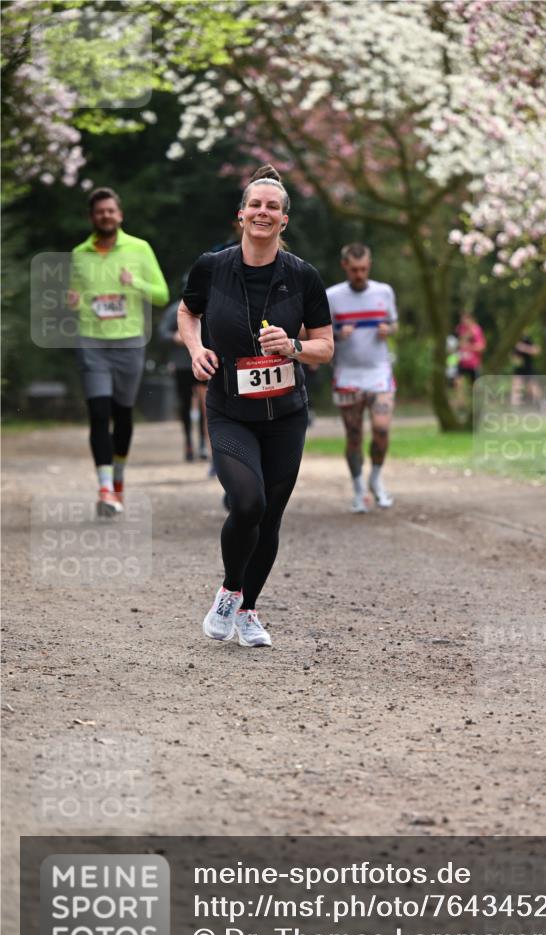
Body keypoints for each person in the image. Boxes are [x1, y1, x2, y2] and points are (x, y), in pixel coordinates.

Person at [178, 164, 333, 648]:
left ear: (284, 220)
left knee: (270, 517)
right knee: (248, 502)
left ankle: (247, 611)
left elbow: (325, 345)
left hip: (286, 413)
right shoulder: (212, 266)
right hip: (229, 408)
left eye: (273, 207)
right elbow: (188, 312)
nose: (263, 212)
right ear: (240, 215)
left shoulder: (303, 277)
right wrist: (195, 348)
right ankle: (229, 591)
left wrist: (294, 348)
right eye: (256, 205)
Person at [68, 187, 169, 515]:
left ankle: (119, 479)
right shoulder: (78, 254)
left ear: (120, 215)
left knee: (122, 413)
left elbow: (162, 295)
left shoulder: (140, 249)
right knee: (98, 413)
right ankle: (105, 488)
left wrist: (135, 283)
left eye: (110, 211)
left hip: (129, 343)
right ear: (91, 217)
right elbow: (77, 296)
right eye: (99, 212)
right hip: (91, 342)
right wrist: (73, 301)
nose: (105, 216)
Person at [326, 243, 399, 513]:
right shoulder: (332, 296)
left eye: (364, 269)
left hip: (379, 371)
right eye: (355, 269)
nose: (360, 274)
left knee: (381, 429)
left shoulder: (383, 291)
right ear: (345, 266)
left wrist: (388, 329)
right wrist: (336, 334)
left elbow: (394, 322)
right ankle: (358, 489)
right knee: (354, 435)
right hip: (348, 374)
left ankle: (376, 479)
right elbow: (316, 334)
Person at [159, 289, 208, 462]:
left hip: (204, 362)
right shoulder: (175, 310)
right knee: (185, 404)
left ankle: (204, 442)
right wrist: (176, 337)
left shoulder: (208, 306)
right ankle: (188, 441)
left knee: (206, 404)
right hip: (182, 365)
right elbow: (162, 332)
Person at [510, 332, 542, 406]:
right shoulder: (514, 339)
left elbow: (537, 350)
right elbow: (513, 355)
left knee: (533, 388)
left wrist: (523, 348)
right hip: (519, 369)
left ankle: (542, 404)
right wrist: (515, 359)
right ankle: (514, 408)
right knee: (515, 387)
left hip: (528, 368)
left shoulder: (527, 339)